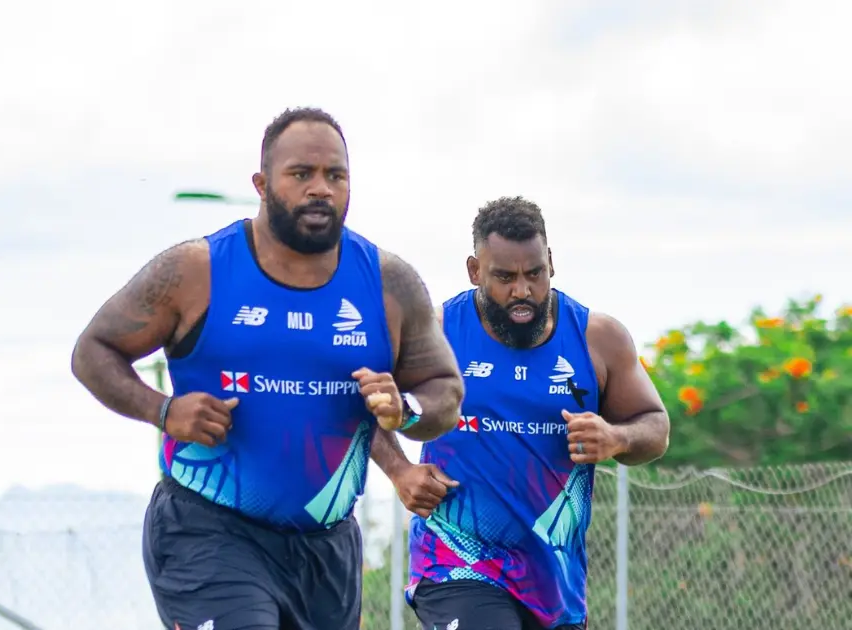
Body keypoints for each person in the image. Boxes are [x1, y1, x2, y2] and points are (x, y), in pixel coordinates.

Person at [71, 107, 466, 630]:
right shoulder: (198, 270)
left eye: (335, 175)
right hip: (208, 532)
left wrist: (405, 408)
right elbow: (93, 350)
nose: (320, 189)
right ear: (261, 184)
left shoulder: (389, 283)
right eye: (301, 174)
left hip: (327, 550)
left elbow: (445, 392)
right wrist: (163, 410)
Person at [374, 196, 672, 630]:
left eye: (535, 274)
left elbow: (656, 428)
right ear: (475, 271)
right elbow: (360, 401)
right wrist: (400, 471)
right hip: (457, 562)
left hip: (553, 580)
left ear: (551, 262)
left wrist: (616, 437)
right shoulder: (438, 332)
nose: (522, 291)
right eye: (504, 277)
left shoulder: (596, 338)